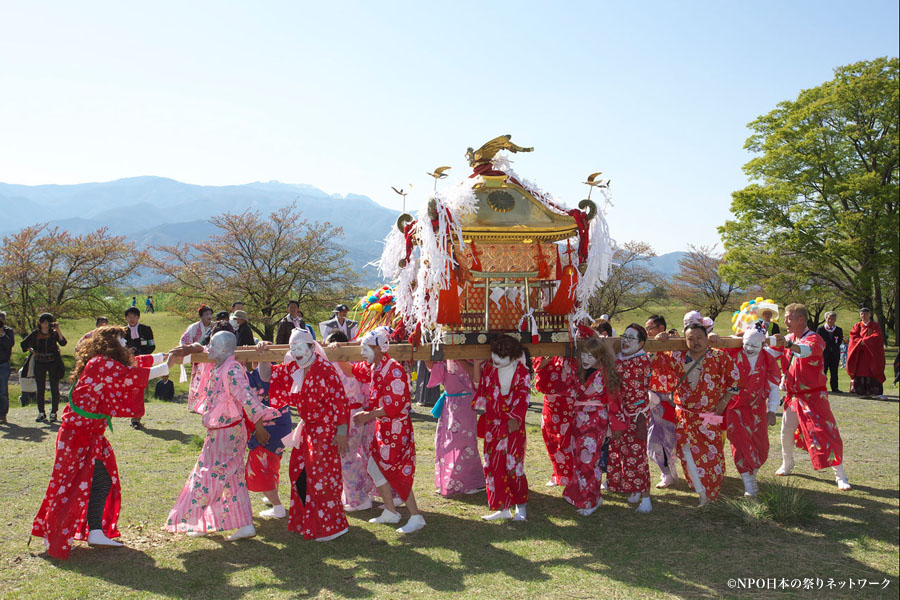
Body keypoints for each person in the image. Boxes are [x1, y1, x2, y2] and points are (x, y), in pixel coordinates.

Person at [31, 326, 172, 559]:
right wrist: (168, 365)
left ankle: (95, 530)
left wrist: (166, 356)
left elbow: (132, 364)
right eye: (121, 341)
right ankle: (54, 534)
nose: (126, 346)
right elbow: (130, 374)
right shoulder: (100, 363)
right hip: (77, 436)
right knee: (68, 484)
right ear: (110, 344)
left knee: (102, 479)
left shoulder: (104, 363)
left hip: (91, 435)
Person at [165, 331, 280, 541]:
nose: (210, 348)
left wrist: (260, 424)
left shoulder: (232, 369)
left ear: (225, 350)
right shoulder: (220, 362)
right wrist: (189, 348)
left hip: (228, 433)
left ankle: (193, 519)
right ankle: (243, 524)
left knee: (207, 474)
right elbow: (204, 349)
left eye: (213, 345)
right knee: (232, 478)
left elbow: (247, 398)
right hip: (221, 431)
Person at [266, 329, 350, 541]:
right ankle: (309, 520)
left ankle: (332, 525)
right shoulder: (296, 368)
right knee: (298, 473)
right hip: (308, 430)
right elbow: (271, 375)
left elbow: (341, 401)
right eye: (292, 349)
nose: (296, 352)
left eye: (300, 347)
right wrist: (262, 353)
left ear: (312, 347)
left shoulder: (325, 369)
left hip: (325, 429)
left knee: (322, 477)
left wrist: (341, 432)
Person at [652, 323, 738, 505]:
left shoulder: (718, 356)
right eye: (690, 338)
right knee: (687, 453)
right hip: (684, 415)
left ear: (707, 338)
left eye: (699, 338)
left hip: (708, 414)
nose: (695, 342)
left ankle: (711, 491)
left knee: (712, 453)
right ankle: (700, 490)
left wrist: (723, 402)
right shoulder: (677, 357)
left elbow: (735, 379)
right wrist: (661, 341)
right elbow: (657, 362)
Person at [352, 326, 426, 533]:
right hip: (385, 427)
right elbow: (355, 369)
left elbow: (395, 405)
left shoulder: (393, 370)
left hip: (396, 429)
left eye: (365, 348)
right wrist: (335, 351)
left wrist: (369, 415)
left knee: (396, 471)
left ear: (377, 349)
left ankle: (416, 516)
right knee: (375, 467)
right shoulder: (377, 366)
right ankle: (391, 512)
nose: (362, 352)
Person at [775, 303, 850, 490]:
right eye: (785, 317)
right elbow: (778, 354)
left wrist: (789, 345)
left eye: (789, 317)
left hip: (814, 396)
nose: (785, 321)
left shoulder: (815, 338)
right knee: (786, 430)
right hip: (794, 397)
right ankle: (787, 462)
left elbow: (806, 351)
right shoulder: (789, 337)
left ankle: (840, 474)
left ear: (801, 319)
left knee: (825, 432)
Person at [563, 336, 625, 516]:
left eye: (591, 356)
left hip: (595, 420)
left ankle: (590, 501)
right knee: (578, 459)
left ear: (600, 357)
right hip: (579, 419)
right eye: (584, 354)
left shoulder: (605, 373)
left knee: (589, 460)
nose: (586, 359)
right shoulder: (581, 371)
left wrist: (615, 425)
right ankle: (587, 496)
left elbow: (614, 400)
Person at [472, 334, 531, 522]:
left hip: (512, 425)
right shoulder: (489, 367)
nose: (496, 359)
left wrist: (515, 418)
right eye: (494, 354)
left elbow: (523, 396)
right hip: (493, 425)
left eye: (502, 356)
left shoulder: (522, 372)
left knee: (514, 466)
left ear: (513, 357)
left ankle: (520, 506)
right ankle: (501, 506)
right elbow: (480, 388)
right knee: (492, 466)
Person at [725, 327, 781, 496]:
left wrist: (772, 410)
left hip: (758, 409)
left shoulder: (768, 359)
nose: (749, 349)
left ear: (763, 344)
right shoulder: (732, 354)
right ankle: (748, 484)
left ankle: (753, 476)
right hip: (735, 408)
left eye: (754, 346)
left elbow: (773, 386)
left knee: (760, 446)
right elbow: (715, 344)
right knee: (740, 445)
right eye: (746, 344)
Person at [325, 331, 376, 511]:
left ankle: (359, 499)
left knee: (347, 456)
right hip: (350, 412)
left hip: (350, 413)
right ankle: (357, 494)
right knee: (350, 455)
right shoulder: (355, 361)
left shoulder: (352, 362)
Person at [609, 324, 654, 513]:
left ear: (641, 343)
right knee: (624, 453)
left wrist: (607, 351)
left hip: (637, 417)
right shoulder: (624, 358)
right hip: (623, 414)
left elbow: (618, 372)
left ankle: (645, 498)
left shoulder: (639, 361)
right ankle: (634, 489)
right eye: (624, 336)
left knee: (636, 456)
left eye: (631, 338)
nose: (625, 341)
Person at [241, 356, 292, 519]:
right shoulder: (277, 374)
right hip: (281, 427)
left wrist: (261, 353)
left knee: (262, 468)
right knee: (271, 464)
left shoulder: (266, 374)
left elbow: (263, 365)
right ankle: (273, 499)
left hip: (269, 428)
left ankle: (277, 507)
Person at [425, 359, 485, 496]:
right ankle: (448, 481)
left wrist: (458, 358)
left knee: (464, 443)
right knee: (443, 441)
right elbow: (436, 371)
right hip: (449, 400)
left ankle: (471, 482)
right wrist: (427, 356)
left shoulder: (470, 350)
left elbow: (478, 373)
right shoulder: (445, 351)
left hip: (466, 400)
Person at [533, 348, 578, 490]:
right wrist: (550, 355)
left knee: (567, 439)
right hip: (551, 402)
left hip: (570, 402)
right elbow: (537, 367)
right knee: (551, 438)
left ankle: (570, 475)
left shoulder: (573, 348)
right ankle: (558, 473)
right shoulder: (548, 348)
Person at [644, 315, 679, 489]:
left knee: (673, 437)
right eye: (647, 328)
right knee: (654, 437)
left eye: (650, 328)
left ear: (661, 328)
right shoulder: (646, 347)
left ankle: (673, 470)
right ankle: (665, 473)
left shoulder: (674, 343)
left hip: (674, 398)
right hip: (655, 398)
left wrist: (670, 338)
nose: (648, 332)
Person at [20, 313, 67, 423]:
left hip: (53, 362)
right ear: (40, 323)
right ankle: (41, 412)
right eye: (44, 322)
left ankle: (54, 412)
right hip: (39, 362)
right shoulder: (35, 334)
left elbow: (63, 342)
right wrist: (31, 350)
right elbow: (23, 344)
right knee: (40, 388)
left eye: (48, 323)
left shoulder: (54, 334)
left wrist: (58, 329)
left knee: (54, 387)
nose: (46, 325)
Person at [123, 307, 156, 430]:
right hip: (127, 364)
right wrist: (127, 352)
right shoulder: (121, 331)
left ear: (138, 317)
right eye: (129, 316)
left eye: (134, 316)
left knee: (138, 391)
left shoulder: (146, 329)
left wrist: (141, 356)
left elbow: (152, 345)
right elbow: (117, 347)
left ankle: (136, 418)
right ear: (126, 318)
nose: (132, 319)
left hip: (142, 365)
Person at [846, 307, 886, 398]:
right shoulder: (857, 326)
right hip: (859, 354)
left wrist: (865, 341)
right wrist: (861, 342)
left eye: (866, 314)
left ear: (870, 315)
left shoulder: (875, 325)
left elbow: (877, 336)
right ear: (860, 315)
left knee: (873, 371)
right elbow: (853, 336)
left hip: (871, 354)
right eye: (862, 314)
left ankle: (876, 393)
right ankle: (862, 392)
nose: (864, 316)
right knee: (860, 372)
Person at [816, 311, 844, 393]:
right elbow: (818, 340)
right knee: (823, 370)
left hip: (835, 353)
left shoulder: (838, 330)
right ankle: (821, 387)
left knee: (834, 371)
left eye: (833, 319)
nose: (831, 320)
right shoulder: (821, 329)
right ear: (826, 319)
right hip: (824, 353)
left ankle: (835, 388)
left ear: (835, 320)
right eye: (829, 318)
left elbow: (839, 341)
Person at [0, 311, 14, 425]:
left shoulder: (8, 331)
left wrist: (2, 334)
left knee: (3, 391)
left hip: (3, 364)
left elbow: (9, 345)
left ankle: (3, 414)